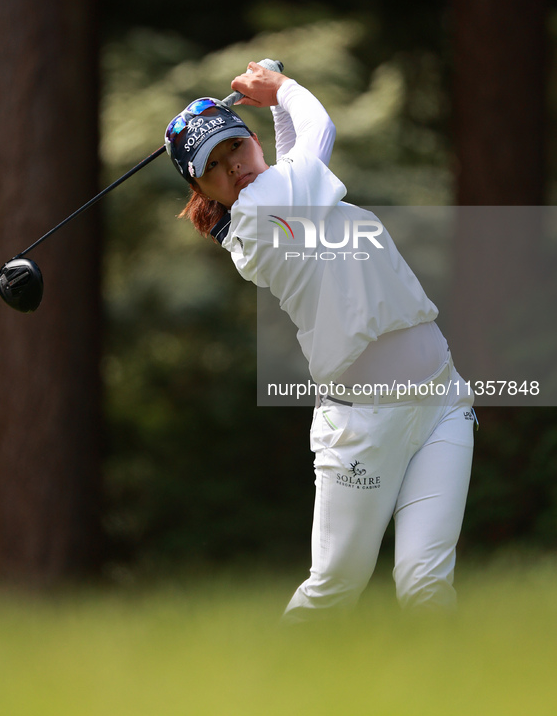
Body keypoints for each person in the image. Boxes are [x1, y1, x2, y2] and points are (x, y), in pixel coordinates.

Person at [166, 61, 475, 622]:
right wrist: (280, 89)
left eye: (234, 147)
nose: (232, 167)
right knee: (335, 585)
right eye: (211, 168)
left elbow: (294, 161)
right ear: (201, 189)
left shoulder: (285, 196)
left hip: (441, 401)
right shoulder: (259, 218)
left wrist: (279, 104)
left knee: (425, 582)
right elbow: (321, 132)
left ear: (250, 140)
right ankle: (268, 704)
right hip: (363, 428)